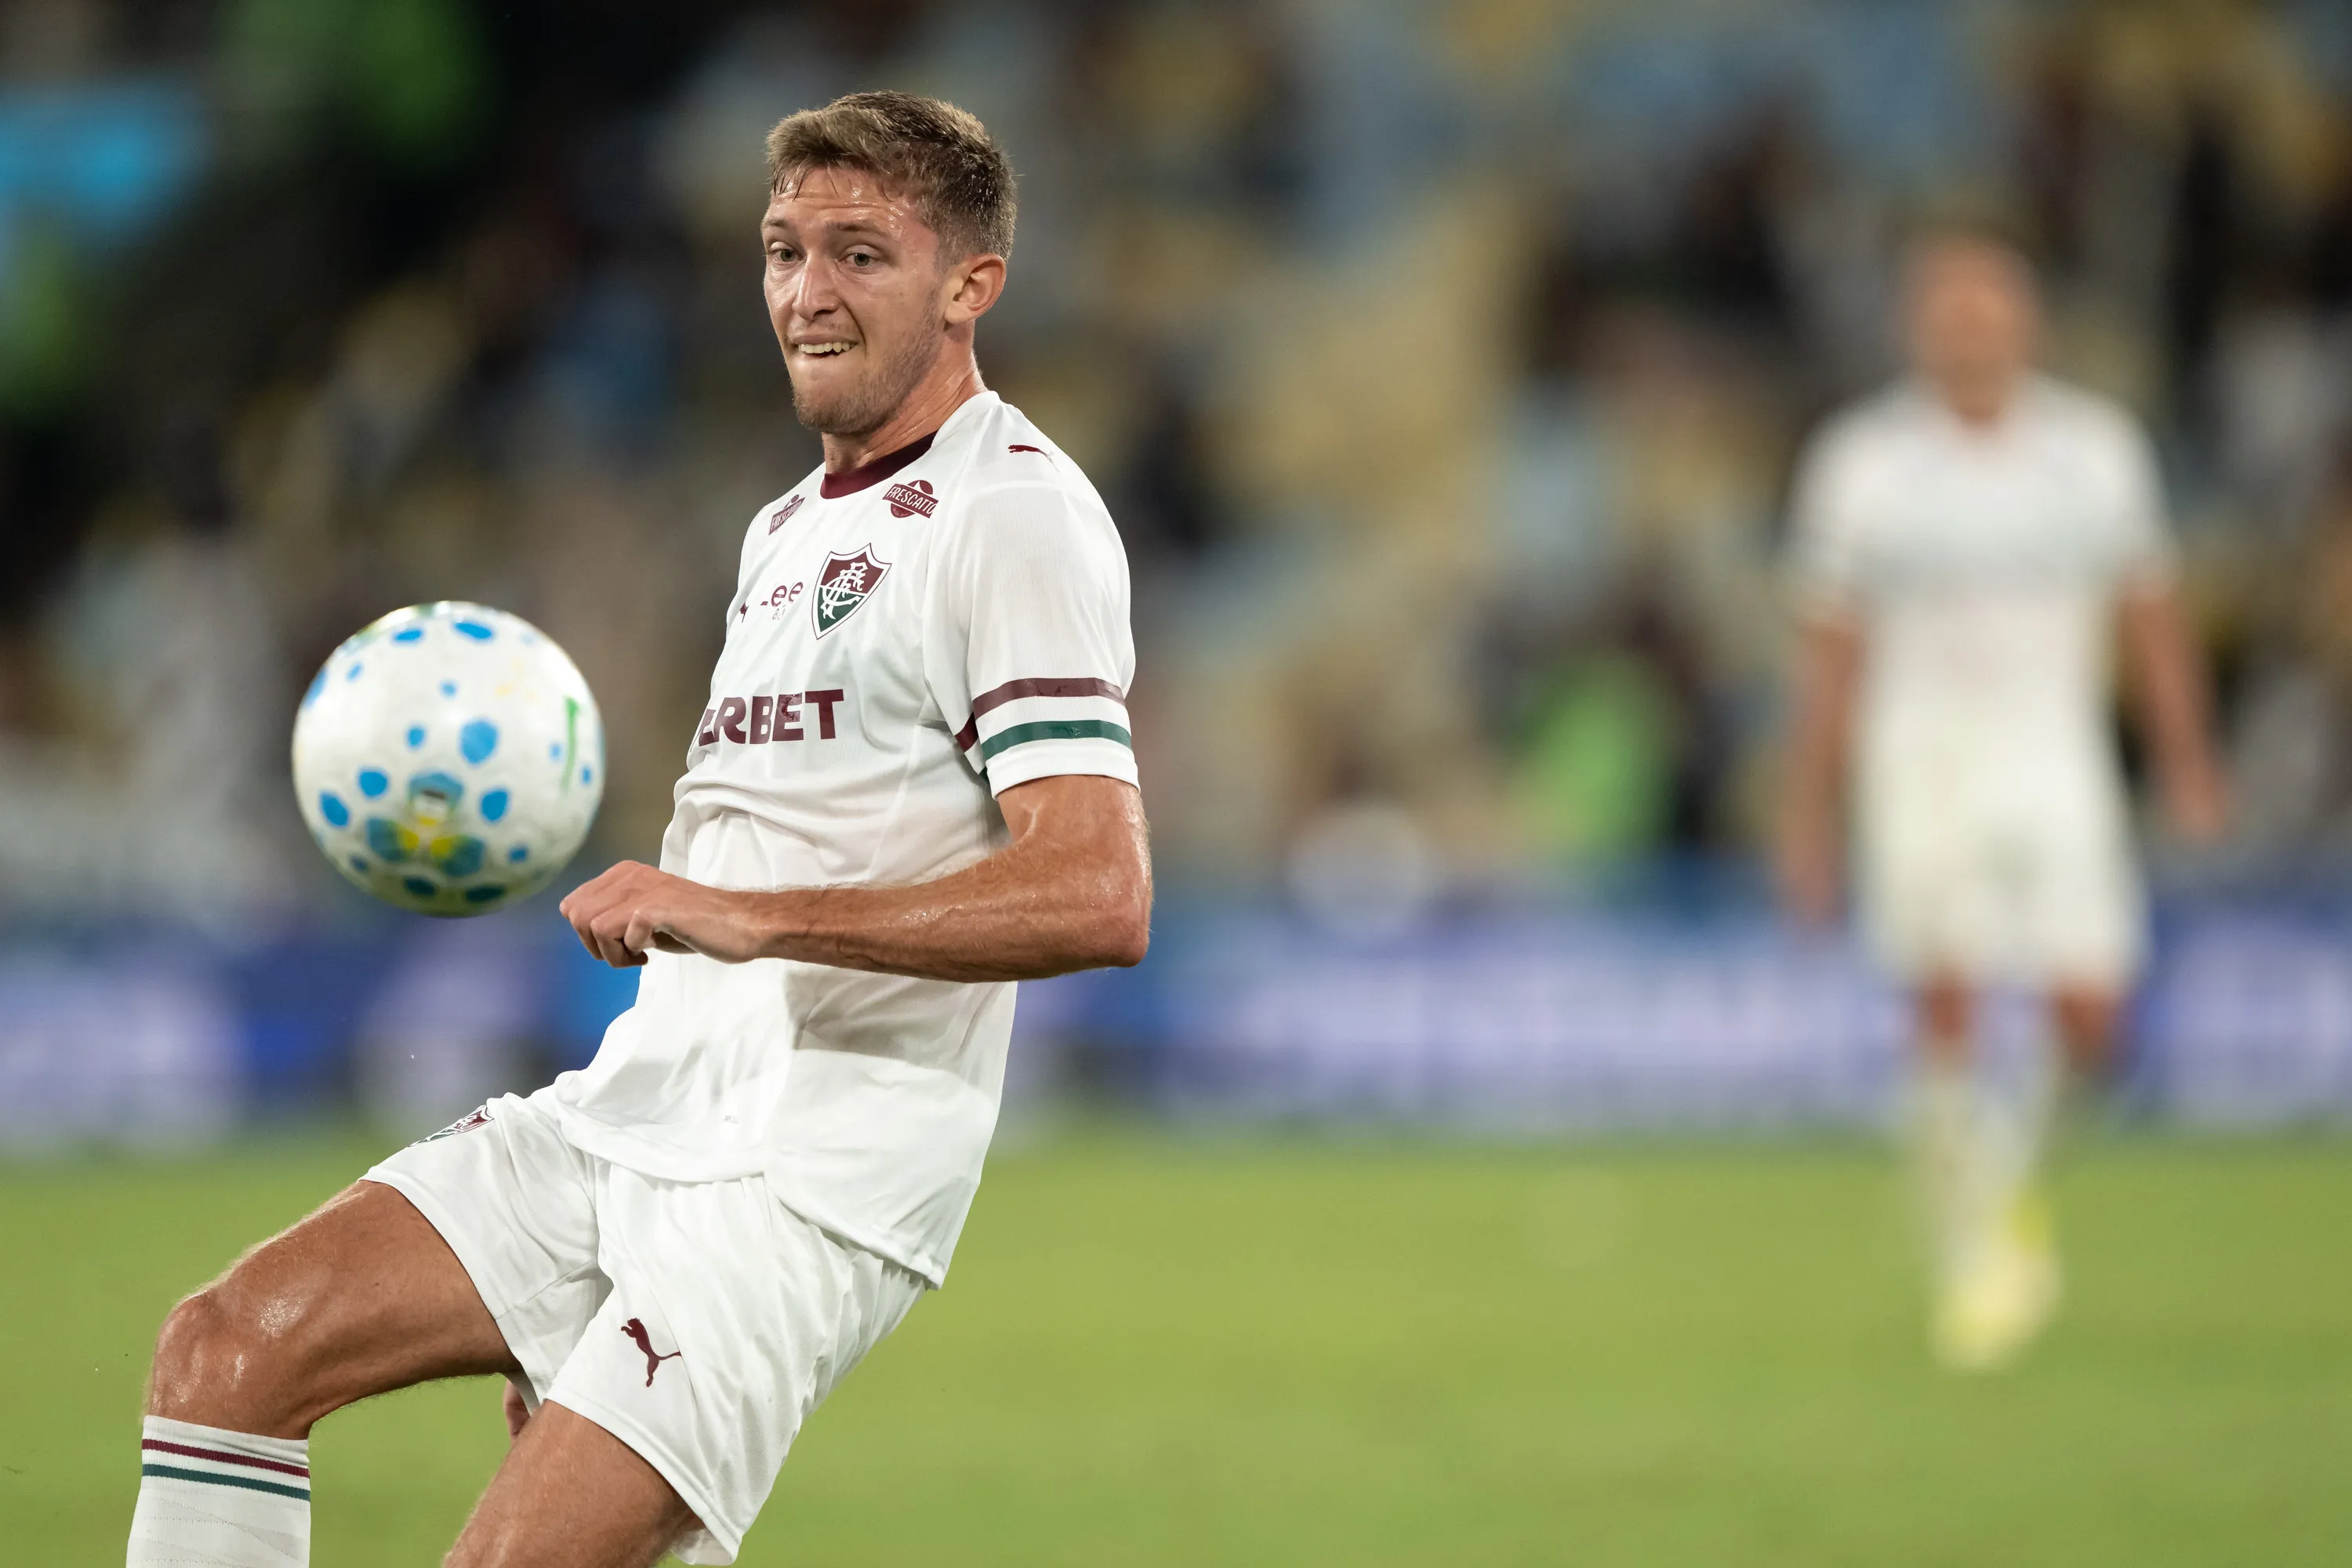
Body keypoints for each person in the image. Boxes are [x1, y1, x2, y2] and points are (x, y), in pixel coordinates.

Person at [127, 92, 1151, 1567]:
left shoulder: (1017, 517)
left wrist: (762, 919)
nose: (805, 291)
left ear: (970, 285)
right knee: (224, 1354)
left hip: (809, 1179)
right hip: (640, 1106)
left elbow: (1100, 893)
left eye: (861, 253)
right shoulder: (789, 525)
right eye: (784, 249)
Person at [1777, 227, 2224, 1370]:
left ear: (2029, 321)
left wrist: (2185, 757)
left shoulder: (2096, 453)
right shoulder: (1862, 464)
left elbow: (2151, 617)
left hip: (2054, 748)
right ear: (1916, 327)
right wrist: (1808, 808)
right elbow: (1828, 652)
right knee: (1948, 996)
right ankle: (1971, 1250)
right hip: (1918, 752)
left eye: (1991, 305)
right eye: (1948, 307)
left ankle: (2004, 1187)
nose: (1971, 326)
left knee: (2092, 1010)